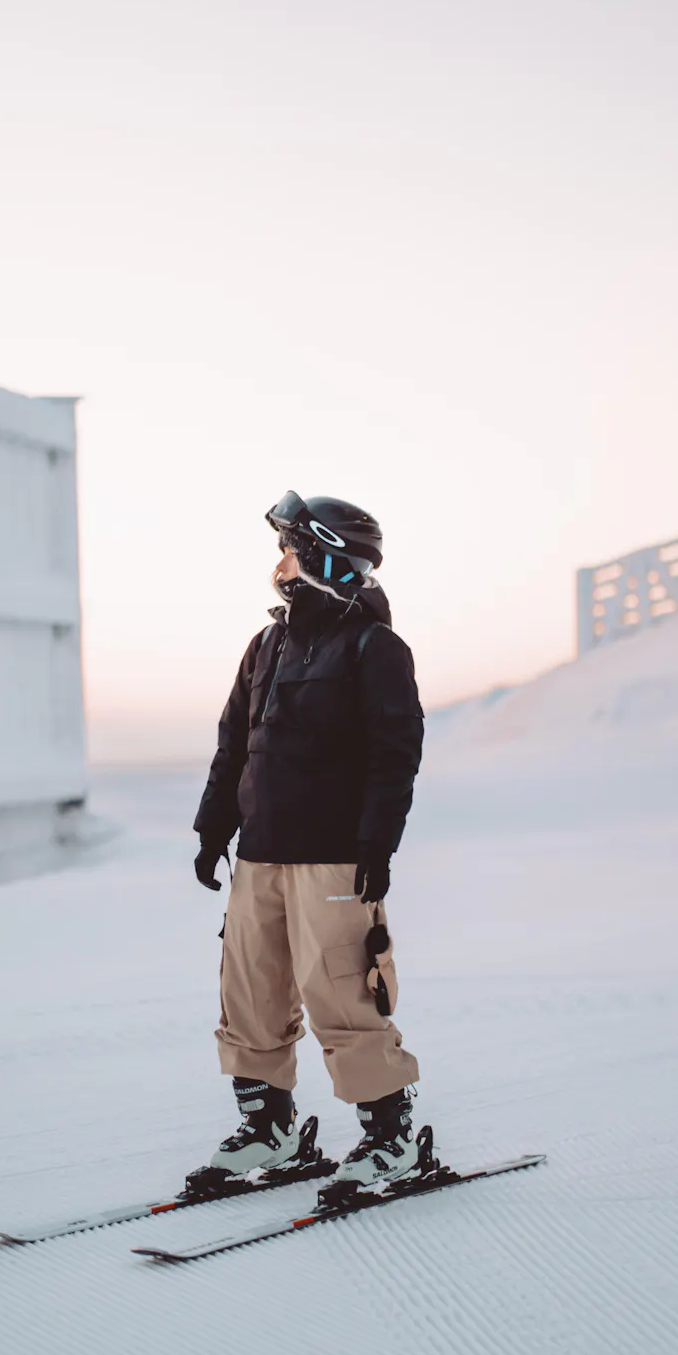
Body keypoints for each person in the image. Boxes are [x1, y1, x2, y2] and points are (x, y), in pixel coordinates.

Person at [192, 490, 426, 1202]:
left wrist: (377, 846)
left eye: (292, 549)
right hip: (260, 853)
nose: (281, 562)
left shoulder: (375, 649)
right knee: (250, 993)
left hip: (333, 857)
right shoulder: (267, 645)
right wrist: (212, 827)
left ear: (328, 558)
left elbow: (395, 755)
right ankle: (270, 1130)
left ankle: (390, 1140)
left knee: (342, 995)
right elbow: (234, 744)